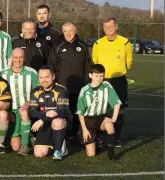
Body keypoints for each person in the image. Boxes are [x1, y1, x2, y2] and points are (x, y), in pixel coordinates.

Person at [47, 21, 91, 141]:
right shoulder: (58, 46)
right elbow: (51, 64)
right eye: (65, 31)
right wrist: (54, 83)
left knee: (78, 112)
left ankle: (75, 133)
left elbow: (88, 66)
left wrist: (87, 84)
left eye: (70, 30)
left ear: (75, 31)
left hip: (79, 88)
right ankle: (62, 134)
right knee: (62, 112)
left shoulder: (82, 46)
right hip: (62, 87)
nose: (68, 33)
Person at [92, 17, 132, 147]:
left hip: (119, 80)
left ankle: (116, 138)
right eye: (106, 27)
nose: (108, 29)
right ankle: (100, 136)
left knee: (119, 109)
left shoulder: (125, 43)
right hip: (102, 80)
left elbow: (129, 63)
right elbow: (95, 62)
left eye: (111, 26)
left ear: (116, 27)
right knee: (100, 108)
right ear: (103, 28)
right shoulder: (98, 43)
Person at [0, 48, 39, 155]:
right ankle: (29, 135)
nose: (18, 60)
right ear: (11, 58)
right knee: (15, 147)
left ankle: (25, 146)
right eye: (15, 57)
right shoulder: (3, 74)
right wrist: (7, 111)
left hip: (27, 109)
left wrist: (28, 103)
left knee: (23, 110)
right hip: (12, 111)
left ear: (24, 58)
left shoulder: (32, 73)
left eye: (21, 57)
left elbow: (38, 92)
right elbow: (0, 96)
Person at [76, 64, 121, 160]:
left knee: (109, 125)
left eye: (101, 76)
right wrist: (84, 129)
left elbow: (116, 103)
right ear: (90, 75)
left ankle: (111, 153)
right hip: (88, 121)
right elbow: (80, 112)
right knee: (91, 154)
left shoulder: (106, 86)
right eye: (96, 76)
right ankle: (96, 138)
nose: (99, 79)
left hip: (101, 118)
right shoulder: (84, 90)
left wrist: (113, 119)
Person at [28, 66, 70, 160]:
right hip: (45, 123)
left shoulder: (61, 90)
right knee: (39, 154)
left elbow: (62, 112)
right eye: (41, 77)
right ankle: (56, 142)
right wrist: (46, 115)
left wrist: (42, 120)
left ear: (53, 77)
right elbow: (32, 113)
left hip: (61, 123)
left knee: (57, 122)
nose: (44, 80)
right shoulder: (35, 91)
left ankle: (59, 150)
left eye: (47, 77)